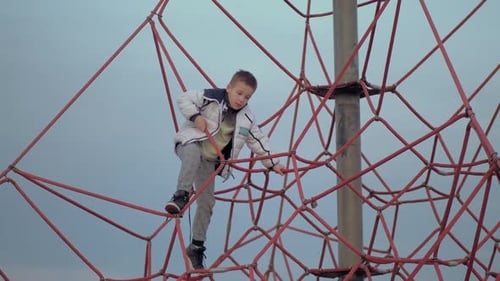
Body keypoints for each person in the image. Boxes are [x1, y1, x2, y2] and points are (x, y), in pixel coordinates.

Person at [165, 70, 285, 270]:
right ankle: (181, 195)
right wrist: (195, 117)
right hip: (191, 142)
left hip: (210, 160)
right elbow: (184, 98)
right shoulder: (211, 97)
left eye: (247, 97)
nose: (241, 99)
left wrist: (273, 163)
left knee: (207, 202)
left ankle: (196, 245)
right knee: (193, 154)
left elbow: (258, 141)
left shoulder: (247, 117)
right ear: (228, 88)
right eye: (239, 93)